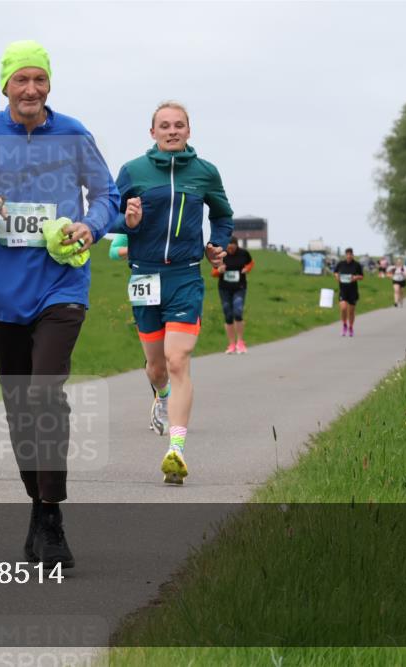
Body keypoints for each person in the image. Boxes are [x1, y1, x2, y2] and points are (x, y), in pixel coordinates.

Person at [0, 40, 119, 568]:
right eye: (22, 79)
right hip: (1, 292)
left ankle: (53, 515)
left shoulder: (74, 134)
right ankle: (39, 510)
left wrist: (92, 224)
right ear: (5, 85)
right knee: (20, 407)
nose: (31, 89)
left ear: (49, 85)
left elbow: (106, 195)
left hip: (62, 284)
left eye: (40, 79)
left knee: (44, 395)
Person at [113, 100, 233, 484]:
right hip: (144, 275)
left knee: (178, 359)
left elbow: (223, 215)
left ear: (188, 131)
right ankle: (161, 396)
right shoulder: (133, 171)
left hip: (185, 276)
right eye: (164, 126)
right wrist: (127, 220)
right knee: (157, 367)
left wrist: (217, 244)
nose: (172, 131)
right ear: (152, 132)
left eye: (179, 125)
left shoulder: (204, 172)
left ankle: (176, 450)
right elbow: (109, 214)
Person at [212, 236, 254, 354]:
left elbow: (251, 263)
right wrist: (219, 271)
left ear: (237, 245)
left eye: (233, 248)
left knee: (238, 312)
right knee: (228, 315)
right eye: (228, 248)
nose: (230, 250)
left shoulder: (243, 253)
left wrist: (247, 269)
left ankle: (240, 342)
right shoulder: (221, 255)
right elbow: (213, 272)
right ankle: (231, 344)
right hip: (224, 288)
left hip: (239, 287)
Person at [334, 248, 364, 336]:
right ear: (345, 255)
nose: (349, 256)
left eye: (350, 254)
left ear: (352, 255)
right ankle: (344, 325)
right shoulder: (341, 264)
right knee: (343, 308)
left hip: (353, 290)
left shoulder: (356, 265)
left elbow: (361, 276)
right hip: (343, 289)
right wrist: (337, 276)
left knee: (351, 311)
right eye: (347, 254)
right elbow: (335, 272)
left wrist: (355, 277)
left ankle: (350, 327)